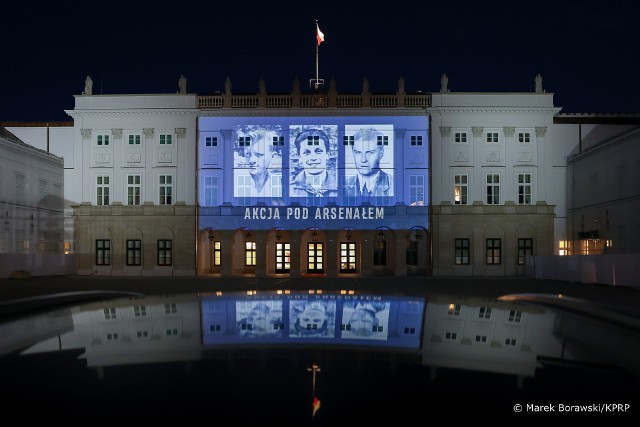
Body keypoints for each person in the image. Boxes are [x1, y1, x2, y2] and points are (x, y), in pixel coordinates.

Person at [345, 128, 391, 197]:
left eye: (370, 153)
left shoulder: (393, 184)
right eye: (358, 153)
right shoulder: (344, 185)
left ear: (381, 153)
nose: (363, 160)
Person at [290, 129, 337, 197]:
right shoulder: (289, 190)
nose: (313, 158)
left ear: (327, 155)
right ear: (300, 157)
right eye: (307, 152)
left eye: (318, 151)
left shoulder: (343, 188)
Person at [243, 130, 278, 197]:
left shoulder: (280, 185)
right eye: (248, 154)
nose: (251, 160)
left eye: (258, 155)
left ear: (273, 157)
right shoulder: (234, 184)